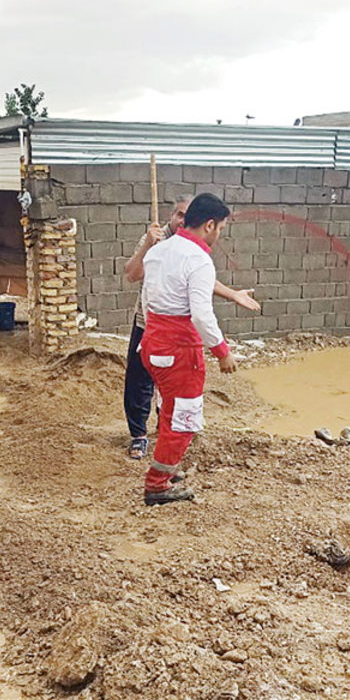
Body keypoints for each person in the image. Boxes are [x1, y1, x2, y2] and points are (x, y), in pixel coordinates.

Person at [123, 196, 259, 459]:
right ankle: (150, 454)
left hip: (155, 334)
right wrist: (222, 351)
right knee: (161, 397)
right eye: (179, 215)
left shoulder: (181, 252)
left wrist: (232, 294)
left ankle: (164, 448)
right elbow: (133, 275)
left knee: (170, 400)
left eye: (187, 215)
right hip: (163, 333)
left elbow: (192, 283)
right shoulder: (158, 243)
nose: (183, 220)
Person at [138, 193, 240, 505]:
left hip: (152, 343)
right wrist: (222, 351)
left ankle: (166, 469)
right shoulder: (198, 259)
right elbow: (200, 314)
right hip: (179, 349)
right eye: (220, 227)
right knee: (183, 418)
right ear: (209, 225)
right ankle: (157, 486)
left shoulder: (158, 252)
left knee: (170, 410)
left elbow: (146, 300)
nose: (219, 234)